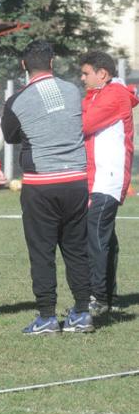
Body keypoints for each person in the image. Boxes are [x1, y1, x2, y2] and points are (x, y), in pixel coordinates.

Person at [2, 40, 94, 334]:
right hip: (76, 181)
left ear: (23, 66)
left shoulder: (17, 100)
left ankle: (47, 316)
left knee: (42, 252)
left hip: (41, 184)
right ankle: (81, 313)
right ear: (52, 64)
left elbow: (10, 136)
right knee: (77, 249)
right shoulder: (73, 91)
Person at [79, 51, 137, 315]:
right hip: (101, 178)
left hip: (108, 179)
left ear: (102, 74)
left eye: (85, 73)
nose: (82, 78)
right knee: (105, 237)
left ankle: (98, 297)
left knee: (96, 235)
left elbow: (84, 124)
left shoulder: (113, 94)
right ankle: (107, 295)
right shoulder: (101, 94)